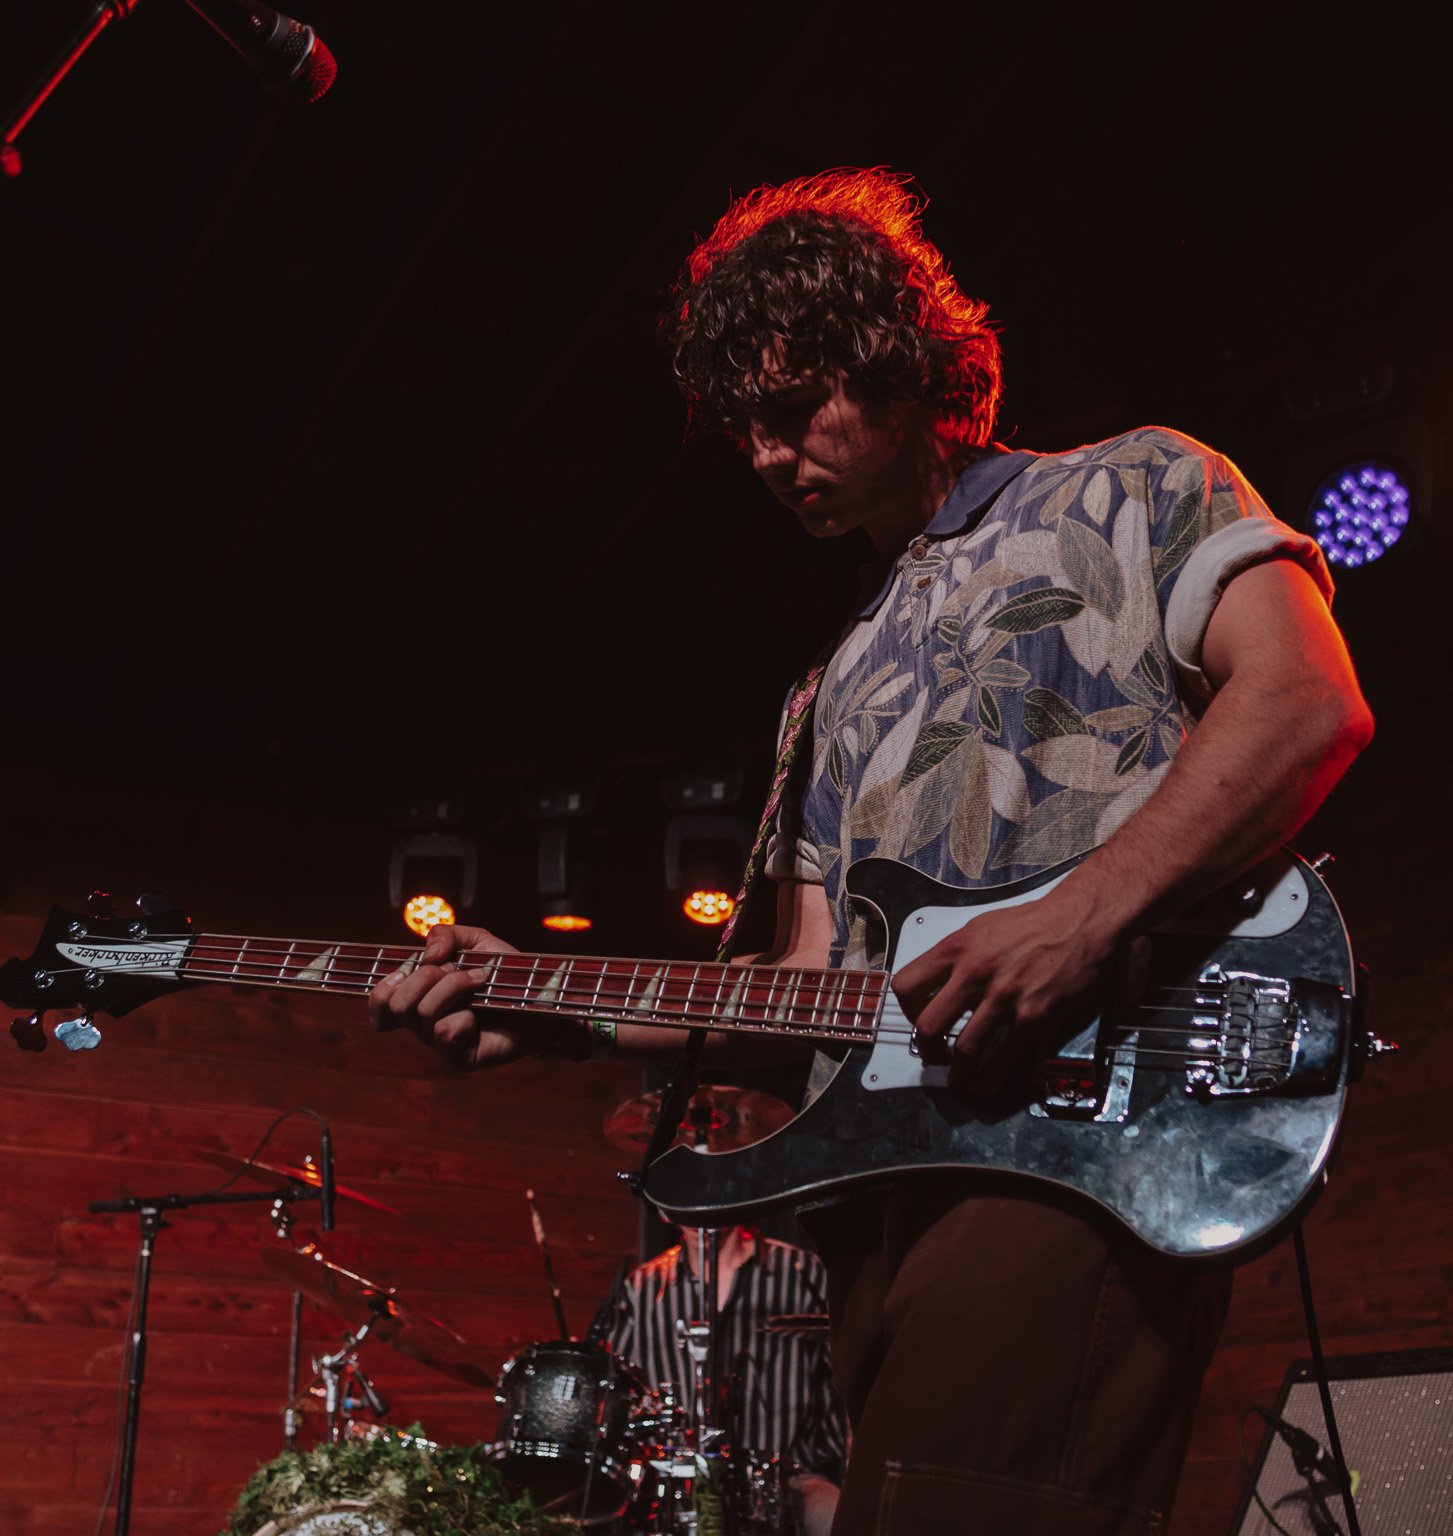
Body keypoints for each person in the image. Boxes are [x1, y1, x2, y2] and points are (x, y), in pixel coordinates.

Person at [371, 167, 1373, 1534]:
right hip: (881, 1196)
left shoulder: (1135, 485)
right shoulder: (827, 681)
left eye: (796, 412)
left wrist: (1077, 921)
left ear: (898, 363)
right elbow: (802, 985)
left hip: (1079, 1147)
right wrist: (553, 1014)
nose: (773, 458)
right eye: (747, 433)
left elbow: (1307, 700)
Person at [602, 1224, 848, 1535]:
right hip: (676, 1481)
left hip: (790, 1477)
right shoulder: (643, 1287)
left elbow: (846, 1380)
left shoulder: (802, 1272)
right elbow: (619, 1394)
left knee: (844, 1519)